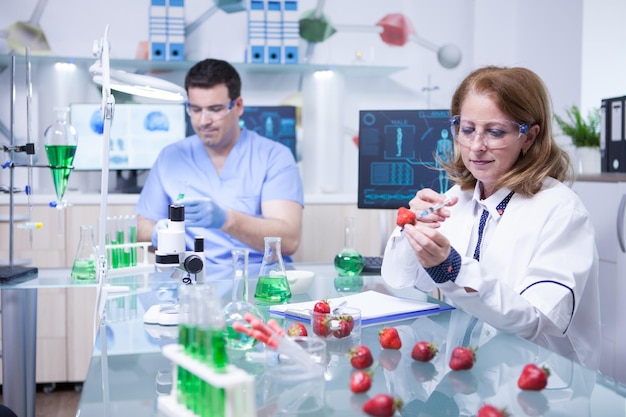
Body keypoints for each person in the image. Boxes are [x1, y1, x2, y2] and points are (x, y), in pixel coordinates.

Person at [381, 66, 600, 370]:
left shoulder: (561, 211)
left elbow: (535, 320)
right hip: (469, 375)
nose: (476, 146)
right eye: (467, 129)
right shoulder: (459, 198)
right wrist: (411, 231)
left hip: (539, 383)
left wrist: (452, 267)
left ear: (529, 136)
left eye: (495, 132)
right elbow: (401, 278)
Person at [136, 59, 304, 265]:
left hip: (259, 282)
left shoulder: (274, 157)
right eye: (195, 109)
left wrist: (227, 219)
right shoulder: (170, 158)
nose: (203, 120)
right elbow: (142, 226)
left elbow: (288, 240)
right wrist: (156, 233)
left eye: (215, 109)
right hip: (191, 279)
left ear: (238, 106)